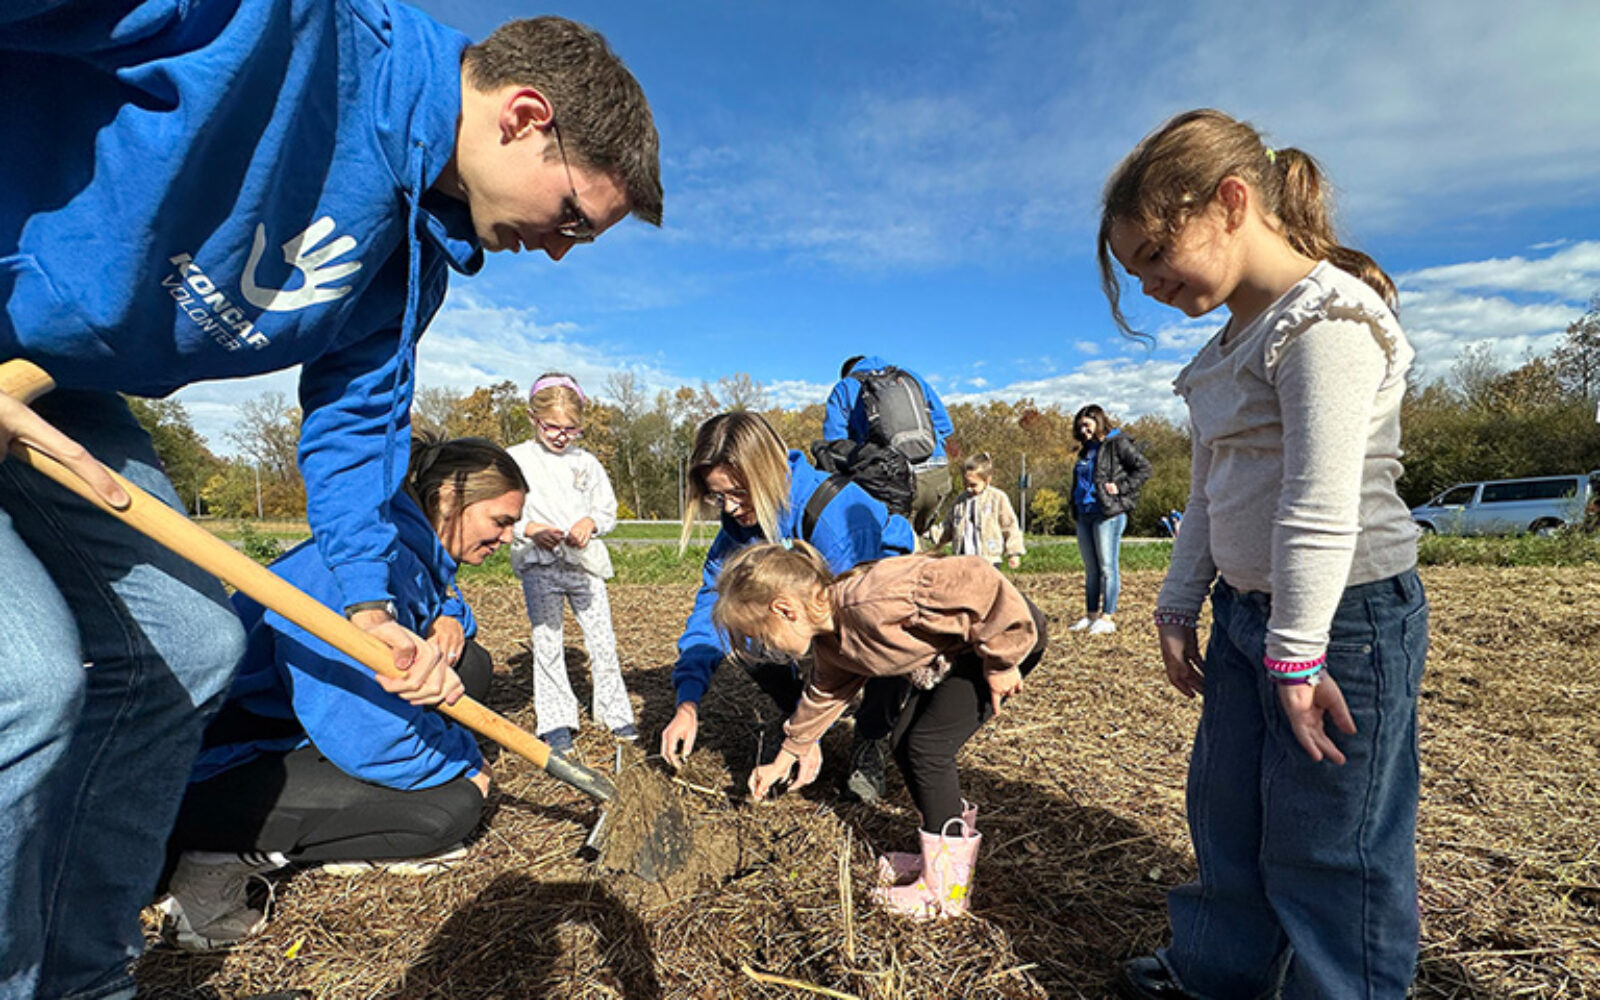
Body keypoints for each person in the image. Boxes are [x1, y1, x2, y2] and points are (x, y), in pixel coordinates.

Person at [0, 6, 659, 996]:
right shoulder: (272, 28)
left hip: (56, 385)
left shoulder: (407, 261)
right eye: (572, 216)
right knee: (28, 681)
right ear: (525, 116)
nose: (561, 251)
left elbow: (356, 431)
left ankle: (82, 978)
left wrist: (371, 609)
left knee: (191, 646)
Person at [1098, 109, 1428, 1000]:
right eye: (1136, 273)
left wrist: (1298, 653)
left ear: (1232, 202)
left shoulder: (1325, 322)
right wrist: (1178, 603)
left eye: (1155, 256)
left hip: (1342, 625)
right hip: (1249, 618)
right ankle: (1216, 973)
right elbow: (1208, 494)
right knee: (1228, 815)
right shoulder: (1223, 353)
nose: (1150, 285)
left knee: (1331, 842)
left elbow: (1319, 503)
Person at [162, 436, 527, 950]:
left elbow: (438, 590)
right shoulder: (348, 580)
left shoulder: (400, 545)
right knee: (450, 809)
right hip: (207, 765)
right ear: (448, 499)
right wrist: (462, 759)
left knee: (469, 665)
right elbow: (367, 738)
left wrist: (447, 615)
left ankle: (339, 811)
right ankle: (208, 863)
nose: (509, 537)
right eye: (501, 521)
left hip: (293, 722)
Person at [730, 543, 1046, 920]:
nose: (767, 649)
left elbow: (981, 581)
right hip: (967, 652)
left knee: (927, 748)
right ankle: (941, 852)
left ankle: (947, 891)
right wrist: (785, 758)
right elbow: (823, 696)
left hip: (1004, 635)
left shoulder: (873, 599)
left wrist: (1002, 659)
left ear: (785, 610)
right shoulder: (832, 642)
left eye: (762, 637)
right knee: (903, 741)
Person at [660, 412, 916, 803]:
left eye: (739, 492)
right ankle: (794, 713)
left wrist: (805, 738)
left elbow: (851, 634)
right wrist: (688, 702)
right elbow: (712, 612)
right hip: (811, 606)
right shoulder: (737, 533)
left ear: (767, 472)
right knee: (742, 623)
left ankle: (870, 736)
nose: (730, 509)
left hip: (872, 604)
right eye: (718, 496)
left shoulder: (831, 516)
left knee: (880, 648)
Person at [507, 373, 635, 755]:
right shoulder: (516, 460)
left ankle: (614, 713)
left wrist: (589, 522)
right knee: (547, 641)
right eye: (552, 427)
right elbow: (503, 512)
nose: (562, 436)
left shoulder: (587, 463)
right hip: (539, 564)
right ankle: (556, 720)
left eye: (571, 429)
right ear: (533, 418)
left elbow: (606, 509)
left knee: (602, 639)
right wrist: (530, 529)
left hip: (584, 564)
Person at [824, 355, 956, 538]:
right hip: (936, 475)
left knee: (898, 544)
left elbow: (835, 444)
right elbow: (945, 426)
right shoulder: (910, 376)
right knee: (917, 537)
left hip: (892, 481)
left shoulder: (844, 387)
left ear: (847, 373)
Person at [1068, 405, 1151, 635]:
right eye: (1080, 426)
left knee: (1107, 567)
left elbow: (1144, 468)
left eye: (1087, 425)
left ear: (1098, 422)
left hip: (1108, 513)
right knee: (1091, 569)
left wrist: (1120, 488)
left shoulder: (1117, 444)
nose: (1083, 430)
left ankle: (1107, 617)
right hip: (1084, 513)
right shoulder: (1085, 451)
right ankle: (1091, 615)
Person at [934, 452, 1025, 569]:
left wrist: (1014, 553)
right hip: (963, 561)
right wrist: (928, 532)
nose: (968, 488)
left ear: (987, 480)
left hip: (989, 560)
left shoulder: (997, 498)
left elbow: (1010, 526)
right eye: (965, 484)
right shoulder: (960, 502)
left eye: (973, 485)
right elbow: (947, 528)